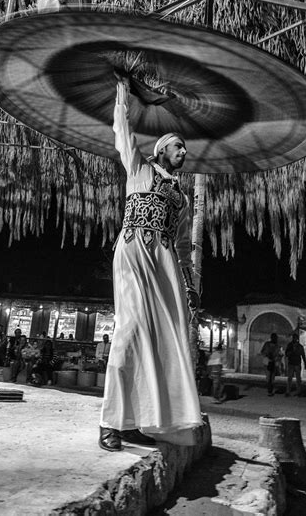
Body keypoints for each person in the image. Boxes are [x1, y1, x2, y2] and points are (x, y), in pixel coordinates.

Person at [98, 77, 202, 452]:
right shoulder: (139, 169)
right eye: (178, 147)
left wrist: (189, 284)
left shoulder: (182, 200)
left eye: (185, 149)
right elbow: (122, 132)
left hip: (164, 263)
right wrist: (123, 95)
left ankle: (135, 420)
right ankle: (109, 422)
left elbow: (185, 243)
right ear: (160, 151)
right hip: (132, 252)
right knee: (128, 332)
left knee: (158, 339)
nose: (183, 152)